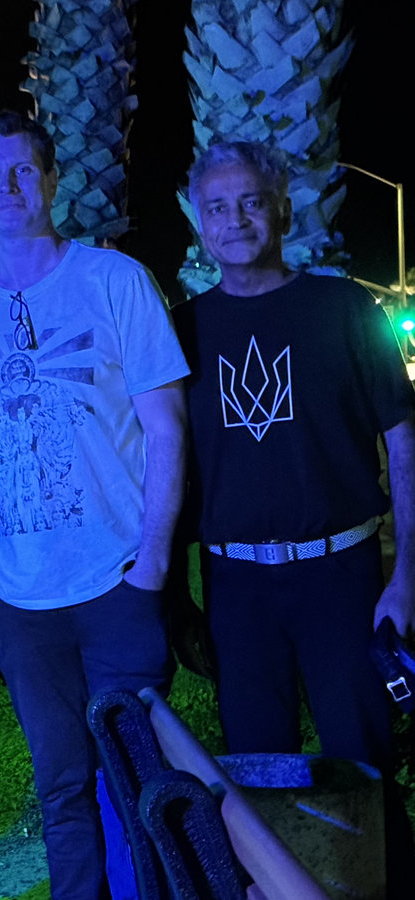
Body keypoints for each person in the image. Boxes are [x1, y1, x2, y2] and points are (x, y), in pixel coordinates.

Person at [0, 111, 189, 899]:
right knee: (61, 787)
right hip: (19, 596)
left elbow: (166, 425)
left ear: (50, 179)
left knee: (141, 782)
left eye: (22, 169)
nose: (8, 186)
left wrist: (152, 563)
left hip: (116, 578)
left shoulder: (115, 281)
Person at [174, 140, 415, 889]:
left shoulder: (344, 308)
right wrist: (176, 595)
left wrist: (406, 576)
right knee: (253, 774)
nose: (235, 219)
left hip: (341, 576)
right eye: (217, 207)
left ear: (280, 209)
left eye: (251, 201)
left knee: (363, 761)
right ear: (199, 222)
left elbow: (404, 443)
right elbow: (165, 464)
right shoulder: (181, 330)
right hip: (236, 588)